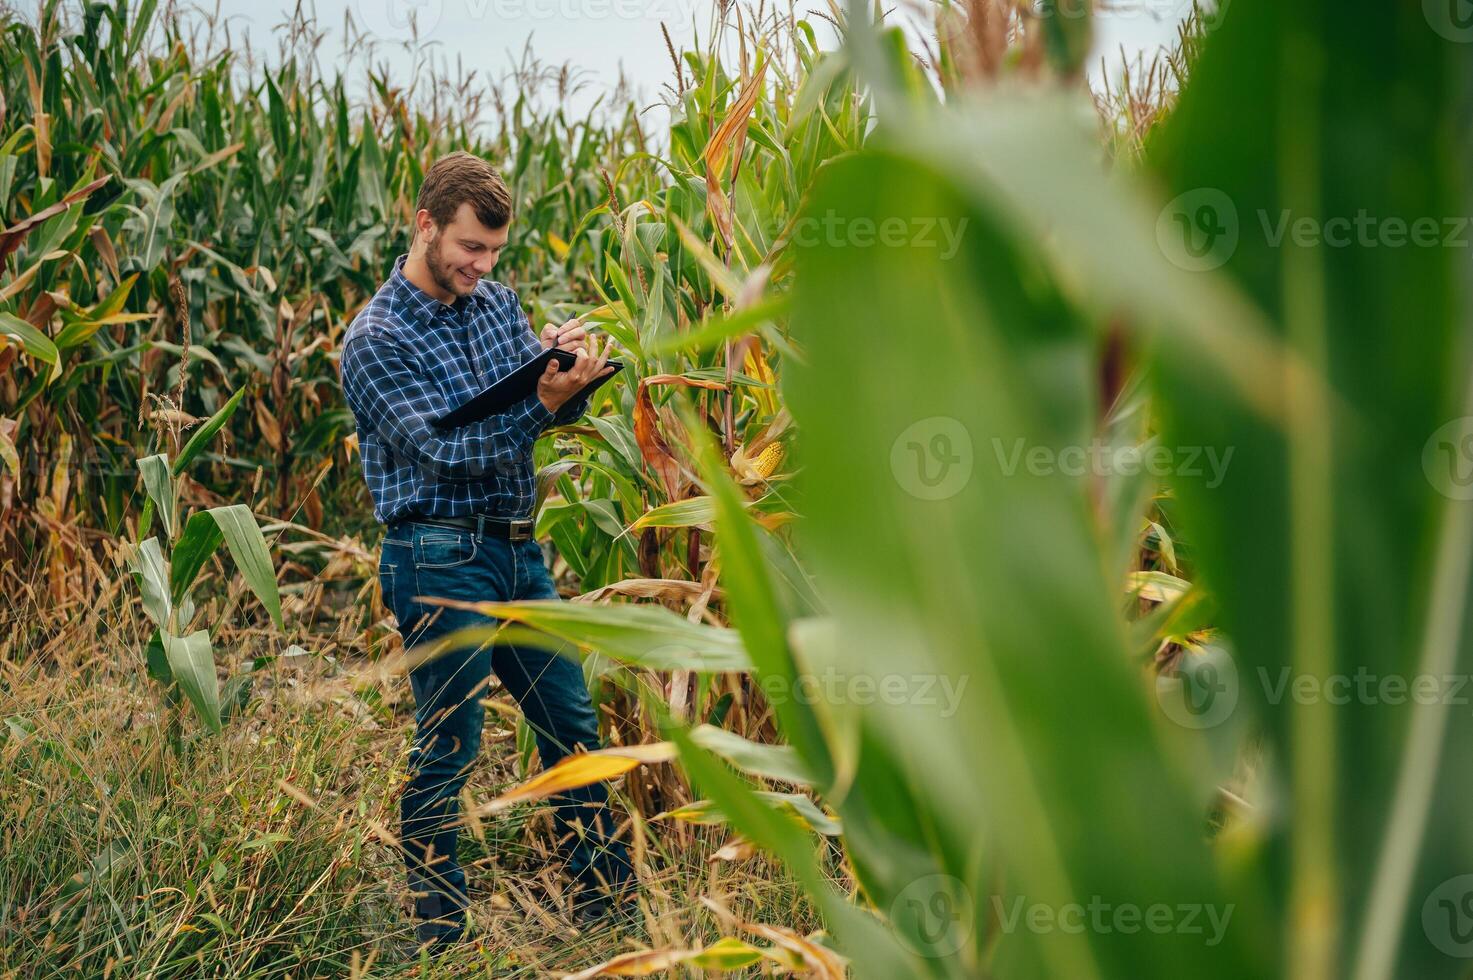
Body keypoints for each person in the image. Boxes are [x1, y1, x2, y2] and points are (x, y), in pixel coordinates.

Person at [339, 150, 631, 950]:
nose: (482, 265)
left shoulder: (495, 304)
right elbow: (445, 451)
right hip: (435, 555)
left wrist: (566, 378)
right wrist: (541, 405)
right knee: (449, 745)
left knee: (573, 729)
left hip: (515, 554)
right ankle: (441, 937)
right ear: (426, 225)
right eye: (470, 247)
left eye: (494, 252)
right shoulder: (375, 339)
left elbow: (524, 424)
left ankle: (610, 915)